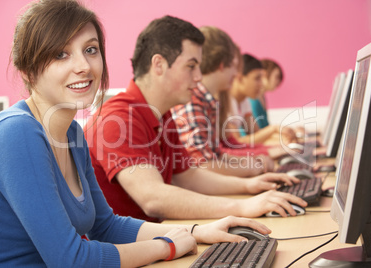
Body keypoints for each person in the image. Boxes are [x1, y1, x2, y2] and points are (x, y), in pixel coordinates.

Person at [0, 1, 276, 266]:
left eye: (91, 50)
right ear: (28, 71)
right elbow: (70, 260)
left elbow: (105, 227)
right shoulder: (15, 132)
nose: (83, 66)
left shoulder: (72, 133)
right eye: (60, 54)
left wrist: (198, 232)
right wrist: (168, 246)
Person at [84, 17, 307, 225]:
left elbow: (188, 176)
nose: (199, 76)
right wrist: (242, 206)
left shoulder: (163, 115)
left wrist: (249, 185)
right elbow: (153, 199)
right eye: (191, 66)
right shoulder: (116, 118)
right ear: (158, 65)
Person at [227, 54, 297, 146]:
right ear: (240, 78)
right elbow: (238, 142)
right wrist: (274, 129)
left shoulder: (244, 101)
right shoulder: (226, 102)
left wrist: (283, 139)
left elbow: (256, 134)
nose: (261, 84)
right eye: (257, 78)